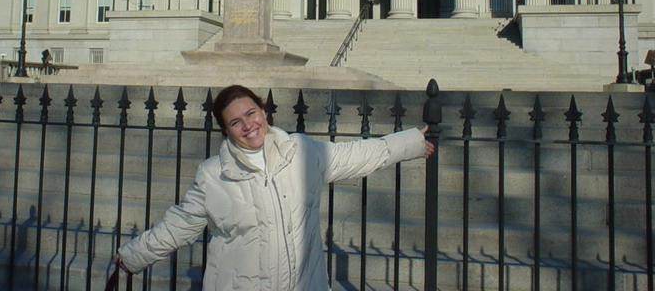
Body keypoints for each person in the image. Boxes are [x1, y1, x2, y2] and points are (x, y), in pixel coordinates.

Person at [113, 84, 434, 290]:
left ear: (264, 112)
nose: (248, 125)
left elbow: (358, 154)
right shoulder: (213, 176)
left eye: (251, 113)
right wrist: (133, 256)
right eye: (235, 122)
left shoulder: (302, 153)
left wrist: (413, 143)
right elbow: (179, 226)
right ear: (226, 131)